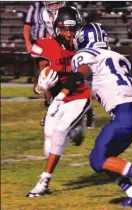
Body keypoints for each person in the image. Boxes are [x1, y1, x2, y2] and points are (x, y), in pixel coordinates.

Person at [54, 23, 132, 207]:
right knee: (105, 159)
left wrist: (63, 93)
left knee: (98, 159)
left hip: (124, 112)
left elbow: (82, 71)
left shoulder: (85, 56)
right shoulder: (118, 58)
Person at [26, 6, 91, 198]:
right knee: (49, 142)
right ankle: (77, 127)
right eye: (64, 29)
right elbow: (39, 80)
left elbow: (81, 75)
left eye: (72, 29)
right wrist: (41, 88)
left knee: (61, 131)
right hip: (58, 100)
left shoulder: (85, 46)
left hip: (79, 96)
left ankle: (43, 182)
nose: (69, 34)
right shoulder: (45, 45)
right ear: (56, 28)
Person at [39, 1, 96, 128]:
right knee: (51, 76)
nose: (54, 6)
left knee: (80, 77)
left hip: (74, 46)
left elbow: (80, 28)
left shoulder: (71, 12)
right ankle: (51, 109)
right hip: (59, 44)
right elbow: (48, 34)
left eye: (57, 3)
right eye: (52, 4)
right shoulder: (43, 15)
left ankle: (88, 112)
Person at [23, 1, 48, 83]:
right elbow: (27, 26)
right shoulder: (34, 7)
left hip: (53, 41)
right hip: (38, 41)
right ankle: (39, 84)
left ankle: (38, 83)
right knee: (43, 64)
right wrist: (28, 43)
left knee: (49, 68)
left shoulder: (57, 6)